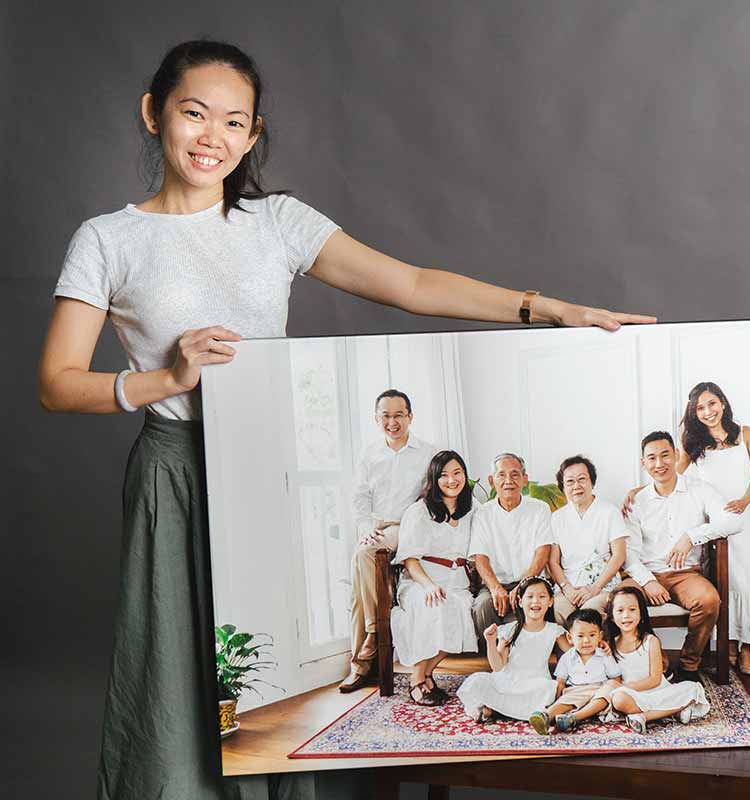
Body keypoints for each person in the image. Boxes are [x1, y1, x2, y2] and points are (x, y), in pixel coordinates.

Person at [36, 40, 655, 800]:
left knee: (255, 660)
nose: (212, 137)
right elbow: (57, 385)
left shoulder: (278, 222)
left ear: (254, 135)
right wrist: (164, 377)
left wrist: (549, 310)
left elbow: (413, 283)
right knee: (171, 665)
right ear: (153, 113)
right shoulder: (108, 239)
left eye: (235, 122)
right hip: (175, 470)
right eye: (193, 113)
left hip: (259, 465)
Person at [678, 382, 750, 675]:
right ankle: (728, 644)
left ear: (723, 403)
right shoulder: (693, 442)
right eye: (700, 408)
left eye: (711, 404)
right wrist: (636, 492)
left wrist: (743, 501)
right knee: (727, 583)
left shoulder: (745, 433)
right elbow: (670, 476)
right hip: (717, 523)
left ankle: (747, 650)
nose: (707, 412)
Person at [621, 431, 742, 683]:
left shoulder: (700, 490)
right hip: (647, 574)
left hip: (686, 575)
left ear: (676, 455)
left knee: (709, 600)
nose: (659, 463)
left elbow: (733, 520)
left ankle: (688, 666)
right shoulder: (637, 501)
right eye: (651, 458)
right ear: (643, 463)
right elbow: (629, 554)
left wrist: (691, 536)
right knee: (616, 602)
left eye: (665, 455)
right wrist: (647, 581)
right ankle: (655, 662)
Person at [342, 389, 437, 693]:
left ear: (410, 416)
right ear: (376, 418)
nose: (392, 421)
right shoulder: (369, 453)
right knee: (358, 588)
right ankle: (362, 665)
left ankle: (372, 638)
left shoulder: (427, 452)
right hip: (376, 525)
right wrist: (365, 526)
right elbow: (359, 497)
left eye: (399, 415)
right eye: (386, 415)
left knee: (364, 556)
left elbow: (431, 497)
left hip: (406, 525)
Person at [389, 451, 478, 705]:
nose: (452, 480)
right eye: (444, 475)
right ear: (434, 479)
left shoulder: (472, 508)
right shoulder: (419, 511)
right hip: (421, 580)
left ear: (465, 476)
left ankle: (427, 674)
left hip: (458, 582)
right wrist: (428, 585)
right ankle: (417, 680)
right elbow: (410, 559)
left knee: (461, 611)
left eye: (457, 473)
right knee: (435, 605)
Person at [456, 576, 569, 723]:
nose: (535, 601)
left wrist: (561, 679)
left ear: (550, 601)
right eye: (530, 596)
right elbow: (498, 667)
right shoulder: (510, 630)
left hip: (535, 683)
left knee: (548, 688)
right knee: (477, 680)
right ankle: (504, 709)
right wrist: (490, 642)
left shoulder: (554, 630)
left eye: (542, 596)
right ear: (520, 602)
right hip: (507, 682)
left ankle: (496, 709)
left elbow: (572, 654)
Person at [469, 453, 554, 642]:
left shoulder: (540, 509)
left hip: (530, 582)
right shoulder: (483, 513)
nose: (508, 481)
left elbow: (543, 551)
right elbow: (480, 556)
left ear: (525, 479)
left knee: (528, 608)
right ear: (492, 481)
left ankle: (521, 661)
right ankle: (494, 661)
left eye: (515, 474)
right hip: (495, 583)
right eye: (502, 475)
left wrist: (524, 585)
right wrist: (495, 588)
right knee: (482, 606)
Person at [603, 586, 709, 734]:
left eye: (632, 610)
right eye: (620, 610)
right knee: (619, 699)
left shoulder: (650, 641)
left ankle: (644, 716)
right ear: (612, 616)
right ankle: (673, 711)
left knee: (693, 689)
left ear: (641, 613)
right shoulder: (610, 645)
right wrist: (622, 689)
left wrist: (626, 687)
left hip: (656, 691)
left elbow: (655, 680)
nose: (626, 615)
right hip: (632, 695)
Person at [547, 455, 631, 625]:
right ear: (563, 487)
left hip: (602, 585)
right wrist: (567, 588)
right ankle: (569, 652)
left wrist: (595, 588)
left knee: (590, 612)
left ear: (591, 481)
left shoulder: (609, 512)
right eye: (570, 482)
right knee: (559, 609)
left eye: (582, 479)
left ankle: (598, 651)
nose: (576, 486)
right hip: (568, 587)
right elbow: (552, 562)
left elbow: (619, 555)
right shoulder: (556, 518)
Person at [528, 608, 622, 734]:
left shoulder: (604, 654)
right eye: (580, 636)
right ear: (570, 637)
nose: (586, 641)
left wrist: (612, 689)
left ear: (600, 636)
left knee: (607, 692)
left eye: (592, 635)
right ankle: (546, 716)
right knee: (566, 701)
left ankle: (574, 718)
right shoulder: (567, 658)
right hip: (576, 691)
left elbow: (616, 679)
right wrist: (558, 698)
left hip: (598, 690)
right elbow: (560, 682)